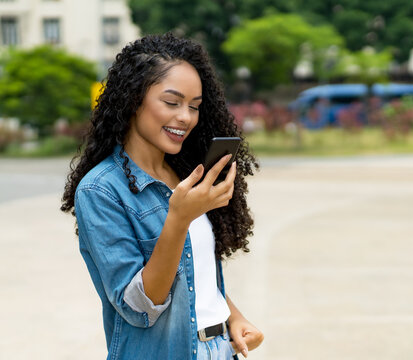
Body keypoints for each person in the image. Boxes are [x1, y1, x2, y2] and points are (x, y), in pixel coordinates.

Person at [61, 33, 263, 360]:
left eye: (195, 106)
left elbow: (192, 273)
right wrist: (178, 219)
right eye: (172, 102)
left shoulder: (187, 175)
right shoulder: (100, 190)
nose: (186, 117)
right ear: (132, 100)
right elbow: (140, 308)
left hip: (220, 348)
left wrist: (231, 316)